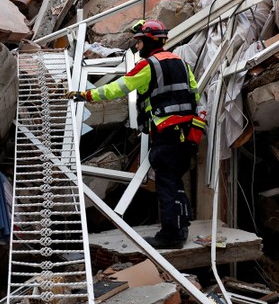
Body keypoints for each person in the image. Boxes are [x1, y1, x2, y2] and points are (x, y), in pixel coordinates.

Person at [67, 19, 206, 249]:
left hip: (166, 133)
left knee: (165, 182)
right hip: (187, 134)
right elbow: (196, 97)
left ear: (150, 42)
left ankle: (171, 234)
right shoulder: (181, 62)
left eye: (140, 43)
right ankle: (181, 227)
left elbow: (118, 88)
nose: (137, 48)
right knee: (174, 180)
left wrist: (87, 95)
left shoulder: (148, 66)